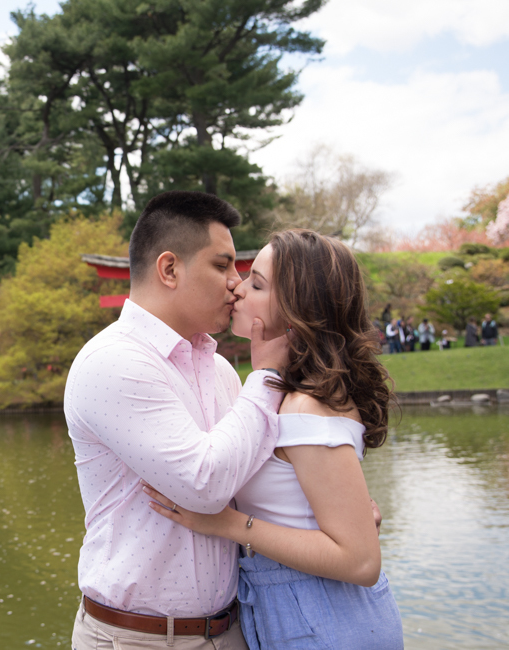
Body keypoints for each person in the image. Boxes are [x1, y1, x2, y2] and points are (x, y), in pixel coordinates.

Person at [144, 229, 403, 649]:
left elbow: (361, 560)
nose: (238, 289)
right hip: (290, 606)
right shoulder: (282, 397)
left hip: (323, 615)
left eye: (258, 284)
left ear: (301, 311)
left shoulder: (305, 408)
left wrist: (227, 524)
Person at [65, 191, 291, 649]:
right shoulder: (113, 361)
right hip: (136, 638)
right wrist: (267, 375)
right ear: (169, 269)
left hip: (230, 629)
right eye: (223, 265)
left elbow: (250, 478)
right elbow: (204, 485)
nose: (237, 282)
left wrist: (332, 512)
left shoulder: (220, 370)